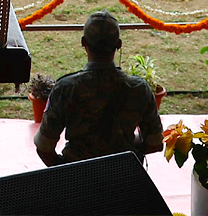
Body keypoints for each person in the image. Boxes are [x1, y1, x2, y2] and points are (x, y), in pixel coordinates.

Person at [34, 11, 162, 166]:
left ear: (83, 42)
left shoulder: (65, 89)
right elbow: (155, 143)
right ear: (119, 45)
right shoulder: (140, 89)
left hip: (78, 180)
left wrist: (66, 174)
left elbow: (44, 148)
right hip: (125, 179)